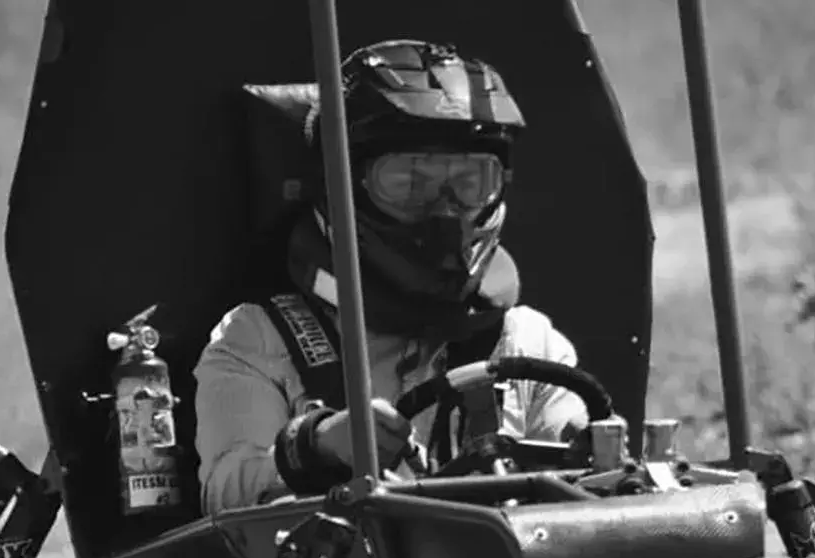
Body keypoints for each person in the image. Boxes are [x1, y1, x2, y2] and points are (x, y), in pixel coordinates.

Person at [193, 38, 593, 513]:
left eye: (467, 183)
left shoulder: (528, 342)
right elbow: (223, 497)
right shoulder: (257, 338)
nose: (443, 213)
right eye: (407, 183)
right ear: (341, 188)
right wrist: (317, 446)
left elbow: (583, 494)